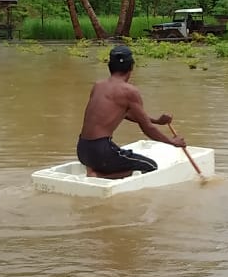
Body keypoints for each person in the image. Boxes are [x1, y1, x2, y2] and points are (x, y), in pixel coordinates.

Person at [76, 45, 186, 179]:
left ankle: (95, 170)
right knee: (150, 166)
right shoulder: (129, 91)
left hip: (83, 151)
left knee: (121, 161)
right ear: (131, 68)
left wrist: (157, 121)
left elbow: (123, 114)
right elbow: (148, 129)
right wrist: (173, 142)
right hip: (101, 152)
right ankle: (98, 176)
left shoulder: (98, 85)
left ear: (110, 66)